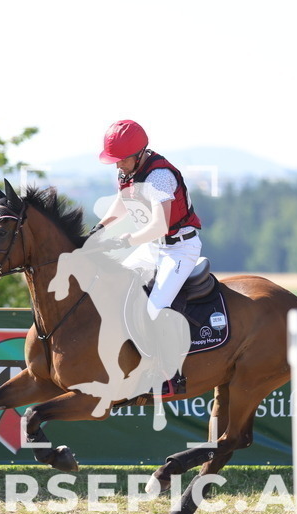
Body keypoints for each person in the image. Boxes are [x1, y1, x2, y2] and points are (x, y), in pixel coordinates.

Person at [94, 120, 203, 396]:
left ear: (139, 153)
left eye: (121, 160)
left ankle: (170, 376)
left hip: (179, 249)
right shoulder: (128, 171)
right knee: (117, 287)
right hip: (153, 247)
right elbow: (122, 202)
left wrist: (124, 239)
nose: (118, 166)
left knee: (155, 310)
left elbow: (159, 226)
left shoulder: (159, 177)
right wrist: (100, 228)